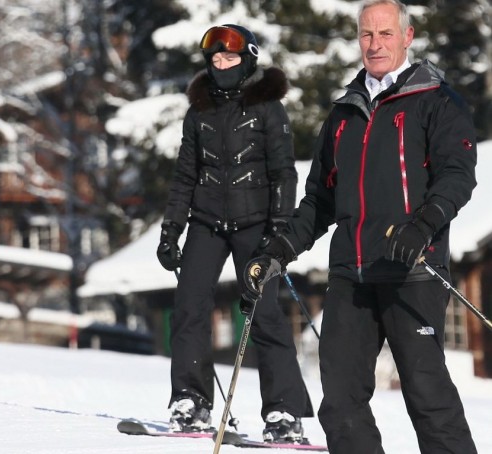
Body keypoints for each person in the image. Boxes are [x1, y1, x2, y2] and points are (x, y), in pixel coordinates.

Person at [241, 1, 478, 453]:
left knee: (428, 397)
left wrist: (423, 224)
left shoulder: (436, 100)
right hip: (351, 271)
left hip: (411, 268)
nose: (375, 44)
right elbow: (319, 199)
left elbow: (457, 173)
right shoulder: (344, 113)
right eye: (367, 35)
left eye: (386, 34)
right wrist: (277, 251)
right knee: (340, 401)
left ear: (407, 37)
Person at [156, 24, 313, 442]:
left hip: (256, 225)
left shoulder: (268, 108)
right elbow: (184, 176)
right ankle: (191, 402)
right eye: (216, 59)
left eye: (229, 58)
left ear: (249, 59)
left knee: (264, 315)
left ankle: (283, 412)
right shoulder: (199, 112)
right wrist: (171, 229)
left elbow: (284, 173)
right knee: (189, 308)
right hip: (206, 224)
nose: (221, 65)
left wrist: (279, 230)